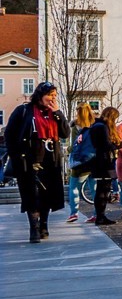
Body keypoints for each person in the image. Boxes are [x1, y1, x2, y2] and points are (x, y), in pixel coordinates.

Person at [3, 82, 68, 243]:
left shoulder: (54, 113)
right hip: (28, 159)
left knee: (47, 193)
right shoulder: (24, 111)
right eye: (50, 95)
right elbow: (9, 134)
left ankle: (44, 224)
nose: (52, 99)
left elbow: (65, 133)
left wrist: (58, 113)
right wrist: (16, 156)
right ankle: (34, 227)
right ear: (40, 95)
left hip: (50, 159)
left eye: (55, 95)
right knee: (31, 194)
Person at [78, 106, 121, 225]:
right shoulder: (102, 127)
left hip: (97, 161)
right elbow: (105, 145)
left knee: (102, 189)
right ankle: (100, 216)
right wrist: (119, 145)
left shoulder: (95, 125)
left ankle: (100, 216)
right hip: (103, 161)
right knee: (103, 190)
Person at [66, 104, 97, 222]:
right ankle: (97, 213)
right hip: (93, 160)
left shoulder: (76, 127)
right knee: (94, 188)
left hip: (80, 162)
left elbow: (74, 145)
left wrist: (68, 150)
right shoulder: (95, 125)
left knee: (74, 187)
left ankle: (74, 213)